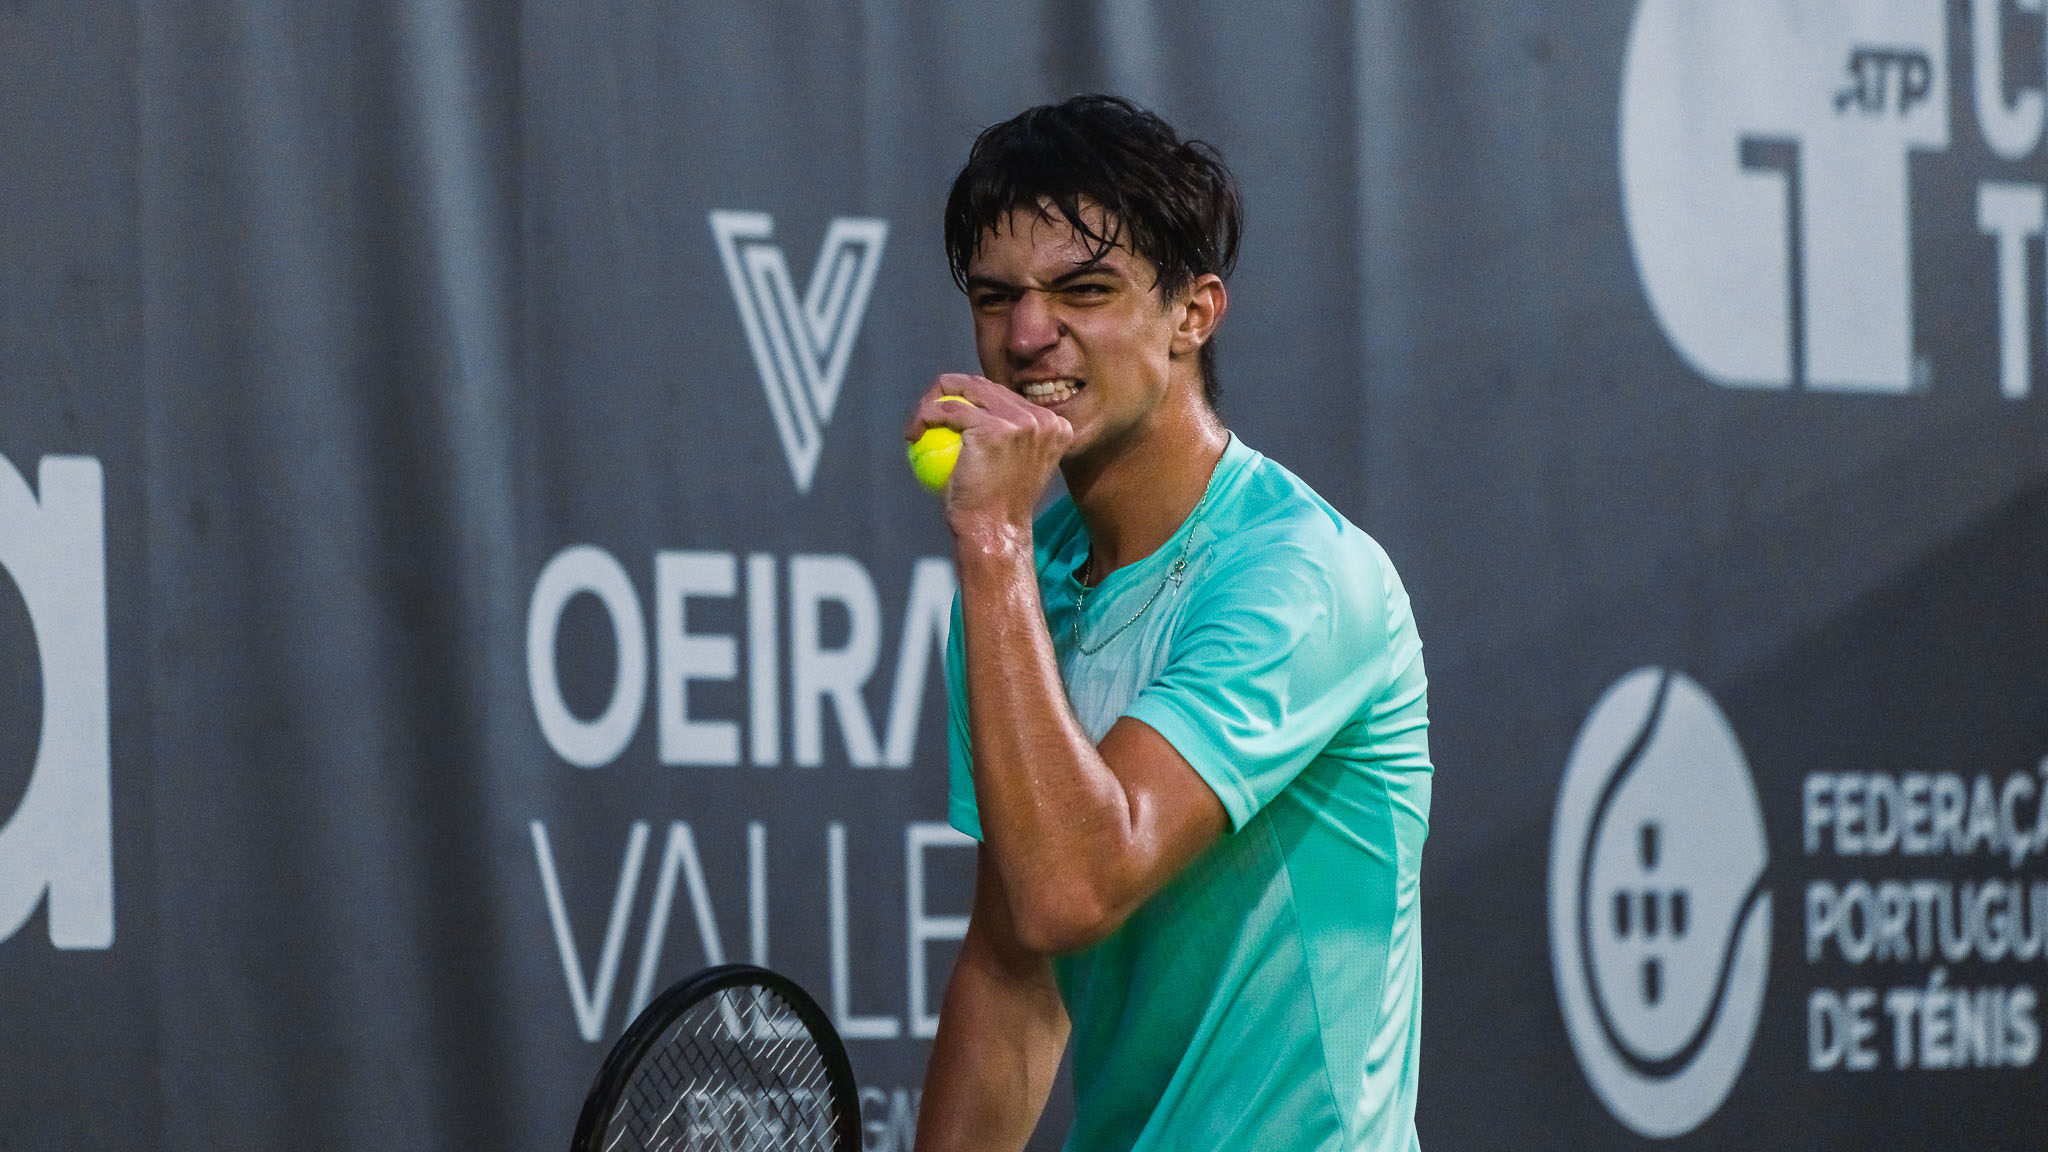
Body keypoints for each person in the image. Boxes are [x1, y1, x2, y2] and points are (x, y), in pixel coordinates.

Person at [905, 95, 1432, 1152]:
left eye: (1082, 291)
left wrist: (994, 551)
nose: (1025, 335)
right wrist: (1004, 560)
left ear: (1193, 314)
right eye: (994, 296)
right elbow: (1013, 971)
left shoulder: (1298, 575)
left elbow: (1070, 891)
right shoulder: (1024, 580)